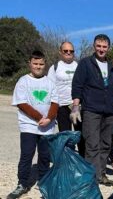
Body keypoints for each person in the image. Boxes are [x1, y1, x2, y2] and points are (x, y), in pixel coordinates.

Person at [71, 34, 113, 186]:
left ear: (108, 48)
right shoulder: (86, 63)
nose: (101, 49)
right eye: (98, 46)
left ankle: (101, 174)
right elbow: (77, 85)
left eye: (104, 47)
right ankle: (91, 178)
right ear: (94, 47)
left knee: (105, 144)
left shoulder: (112, 68)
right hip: (91, 111)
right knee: (92, 144)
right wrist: (75, 107)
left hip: (108, 113)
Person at [7, 50, 58, 199]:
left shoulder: (50, 82)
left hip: (47, 127)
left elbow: (55, 103)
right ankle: (22, 184)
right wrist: (38, 118)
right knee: (27, 155)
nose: (38, 66)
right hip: (29, 125)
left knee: (44, 156)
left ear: (45, 65)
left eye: (41, 64)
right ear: (29, 64)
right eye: (35, 63)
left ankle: (43, 182)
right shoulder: (23, 81)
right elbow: (21, 103)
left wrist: (49, 118)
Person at [47, 41, 84, 157]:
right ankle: (68, 161)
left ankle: (82, 160)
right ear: (60, 52)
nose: (69, 53)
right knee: (65, 136)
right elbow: (50, 88)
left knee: (81, 135)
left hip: (77, 106)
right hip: (62, 106)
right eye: (66, 51)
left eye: (71, 51)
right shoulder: (55, 67)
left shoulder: (78, 66)